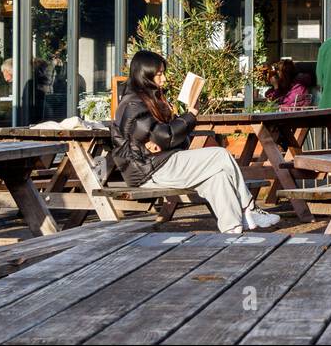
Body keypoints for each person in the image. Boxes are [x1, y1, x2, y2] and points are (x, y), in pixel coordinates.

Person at [110, 50, 278, 234]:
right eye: (159, 74)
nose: (164, 79)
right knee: (220, 155)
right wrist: (190, 115)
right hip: (150, 170)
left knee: (218, 177)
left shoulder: (147, 101)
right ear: (145, 75)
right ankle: (249, 208)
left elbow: (165, 139)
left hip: (161, 162)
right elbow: (165, 136)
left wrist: (165, 135)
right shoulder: (133, 105)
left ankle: (233, 229)